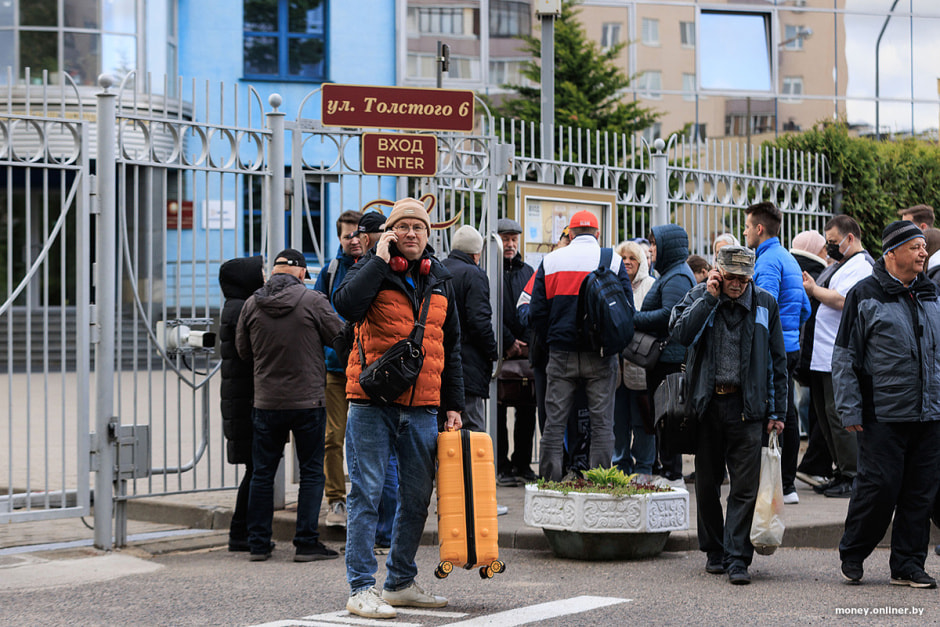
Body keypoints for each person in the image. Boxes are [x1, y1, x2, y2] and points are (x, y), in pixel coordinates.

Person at [333, 197, 463, 620]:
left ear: (428, 234)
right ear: (390, 232)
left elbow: (451, 347)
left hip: (423, 406)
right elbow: (345, 305)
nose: (411, 233)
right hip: (371, 402)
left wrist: (453, 405)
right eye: (402, 226)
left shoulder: (440, 278)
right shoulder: (369, 269)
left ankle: (401, 582)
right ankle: (360, 587)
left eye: (418, 227)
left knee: (417, 498)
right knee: (366, 495)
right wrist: (379, 259)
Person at [670, 245, 788, 585]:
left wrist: (778, 411)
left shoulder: (765, 303)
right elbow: (679, 334)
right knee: (707, 484)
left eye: (743, 279)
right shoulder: (700, 295)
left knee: (744, 488)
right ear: (717, 273)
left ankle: (738, 558)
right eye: (730, 278)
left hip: (747, 408)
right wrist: (708, 298)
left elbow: (778, 361)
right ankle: (714, 551)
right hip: (707, 405)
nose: (736, 285)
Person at [834, 220, 940, 589]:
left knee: (920, 491)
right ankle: (853, 552)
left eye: (924, 247)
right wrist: (849, 408)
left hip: (929, 413)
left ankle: (908, 565)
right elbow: (844, 356)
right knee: (879, 487)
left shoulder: (931, 293)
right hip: (882, 414)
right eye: (915, 247)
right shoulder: (864, 294)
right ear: (892, 253)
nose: (923, 253)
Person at [235, 248, 343, 562]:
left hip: (267, 402)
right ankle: (306, 542)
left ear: (273, 272)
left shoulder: (251, 304)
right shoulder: (313, 301)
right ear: (301, 273)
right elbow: (339, 338)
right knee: (311, 472)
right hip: (308, 400)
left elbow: (243, 351)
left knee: (262, 473)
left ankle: (258, 543)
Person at [529, 211, 634, 481]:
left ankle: (550, 483)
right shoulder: (612, 260)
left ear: (571, 233)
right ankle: (599, 484)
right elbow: (627, 309)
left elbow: (536, 314)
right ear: (598, 234)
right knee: (602, 424)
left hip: (560, 354)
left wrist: (554, 340)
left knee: (554, 424)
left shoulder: (550, 261)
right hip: (601, 355)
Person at [743, 202, 810, 505]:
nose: (745, 232)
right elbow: (805, 308)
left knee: (770, 413)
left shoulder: (768, 261)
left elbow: (763, 307)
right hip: (791, 345)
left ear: (759, 229)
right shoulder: (788, 258)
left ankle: (775, 484)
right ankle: (788, 484)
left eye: (747, 227)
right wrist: (790, 332)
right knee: (787, 412)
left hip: (772, 348)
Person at [801, 216, 872, 499]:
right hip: (822, 356)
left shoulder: (862, 265)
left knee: (839, 417)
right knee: (826, 417)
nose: (829, 247)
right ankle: (841, 471)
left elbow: (844, 300)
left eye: (833, 242)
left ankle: (853, 474)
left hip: (837, 355)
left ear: (849, 238)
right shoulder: (841, 264)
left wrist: (813, 289)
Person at [313, 210, 364, 529]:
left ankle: (365, 499)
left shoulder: (377, 266)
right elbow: (315, 314)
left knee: (366, 441)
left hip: (369, 371)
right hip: (335, 369)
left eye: (358, 234)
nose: (354, 241)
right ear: (339, 238)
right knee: (333, 437)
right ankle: (336, 499)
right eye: (348, 236)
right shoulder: (330, 272)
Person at [635, 224, 695, 487]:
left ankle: (673, 474)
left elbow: (669, 315)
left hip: (669, 359)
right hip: (665, 358)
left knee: (668, 416)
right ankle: (669, 471)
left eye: (655, 244)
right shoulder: (670, 274)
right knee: (663, 417)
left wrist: (635, 318)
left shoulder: (677, 277)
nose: (651, 249)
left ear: (668, 247)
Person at [219, 255, 265, 553]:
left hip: (241, 399)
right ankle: (240, 531)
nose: (264, 275)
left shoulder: (235, 306)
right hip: (246, 400)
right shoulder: (241, 309)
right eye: (259, 271)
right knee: (256, 469)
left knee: (255, 468)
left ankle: (242, 530)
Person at [441, 225, 497, 432]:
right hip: (468, 365)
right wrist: (493, 352)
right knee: (472, 431)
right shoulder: (474, 274)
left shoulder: (439, 269)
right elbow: (479, 322)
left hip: (439, 363)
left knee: (442, 431)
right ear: (476, 254)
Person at [495, 217, 537, 486]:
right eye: (505, 239)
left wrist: (526, 343)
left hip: (525, 351)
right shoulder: (489, 268)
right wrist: (508, 341)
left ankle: (523, 463)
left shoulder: (528, 271)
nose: (510, 244)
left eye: (513, 239)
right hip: (500, 351)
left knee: (527, 409)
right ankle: (502, 465)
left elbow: (534, 306)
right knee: (498, 410)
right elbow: (489, 310)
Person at [612, 240, 657, 477]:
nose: (627, 262)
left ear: (641, 262)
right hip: (616, 369)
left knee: (643, 422)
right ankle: (620, 466)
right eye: (623, 258)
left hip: (641, 368)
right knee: (618, 422)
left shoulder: (651, 285)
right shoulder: (612, 285)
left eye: (632, 258)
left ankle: (644, 467)